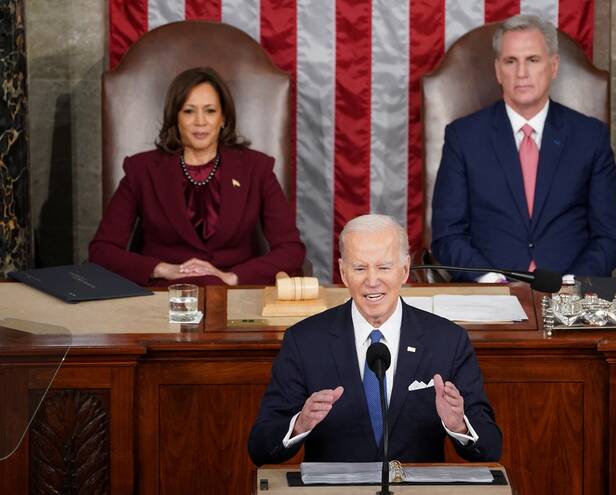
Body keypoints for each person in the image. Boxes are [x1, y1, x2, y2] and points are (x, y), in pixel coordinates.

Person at [247, 214, 501, 465]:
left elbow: (491, 447)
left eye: (383, 267)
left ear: (404, 270)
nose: (372, 281)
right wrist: (299, 424)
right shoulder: (304, 341)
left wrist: (459, 425)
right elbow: (260, 447)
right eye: (359, 268)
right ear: (343, 273)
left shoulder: (446, 340)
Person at [431, 14, 616, 281]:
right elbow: (447, 235)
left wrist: (576, 281)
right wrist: (488, 278)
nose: (521, 73)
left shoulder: (590, 136)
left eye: (532, 60)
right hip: (488, 296)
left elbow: (610, 236)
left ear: (554, 66)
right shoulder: (463, 137)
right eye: (511, 61)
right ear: (498, 70)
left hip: (570, 295)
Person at [89, 67, 305, 286]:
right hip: (164, 295)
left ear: (223, 118)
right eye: (189, 111)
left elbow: (291, 250)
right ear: (175, 118)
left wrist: (231, 277)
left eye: (210, 111)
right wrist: (163, 269)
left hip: (235, 294)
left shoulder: (256, 168)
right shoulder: (141, 169)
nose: (200, 121)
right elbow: (102, 250)